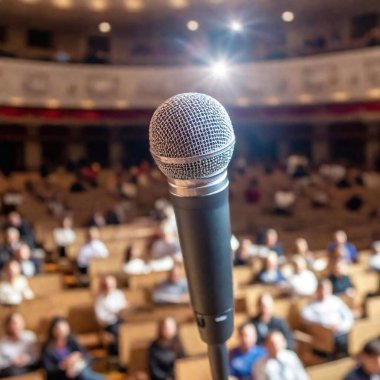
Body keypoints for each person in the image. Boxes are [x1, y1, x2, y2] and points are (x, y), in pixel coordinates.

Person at [301, 278, 354, 356]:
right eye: (321, 289)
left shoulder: (336, 301)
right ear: (317, 290)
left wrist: (341, 326)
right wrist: (326, 324)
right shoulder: (311, 305)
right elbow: (305, 317)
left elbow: (348, 315)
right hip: (323, 334)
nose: (323, 292)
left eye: (326, 289)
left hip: (340, 331)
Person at [0, 313, 39, 377]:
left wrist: (27, 359)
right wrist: (11, 361)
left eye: (19, 323)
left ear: (23, 324)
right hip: (8, 368)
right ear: (8, 326)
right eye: (13, 323)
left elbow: (36, 357)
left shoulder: (30, 337)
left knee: (13, 372)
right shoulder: (3, 341)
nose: (16, 326)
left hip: (27, 366)